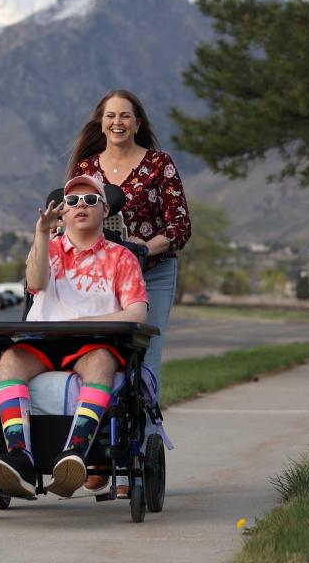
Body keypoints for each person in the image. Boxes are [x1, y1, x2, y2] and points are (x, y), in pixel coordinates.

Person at [0, 174, 148, 500]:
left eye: (90, 200)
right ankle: (20, 456)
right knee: (10, 359)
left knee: (101, 362)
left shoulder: (122, 258)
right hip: (43, 342)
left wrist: (88, 321)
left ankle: (75, 453)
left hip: (94, 343)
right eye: (72, 202)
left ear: (104, 211)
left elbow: (137, 313)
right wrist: (42, 233)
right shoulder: (49, 249)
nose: (80, 206)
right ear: (63, 213)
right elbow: (36, 283)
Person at [67, 89, 191, 391]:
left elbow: (180, 225)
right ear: (101, 123)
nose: (117, 122)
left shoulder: (160, 164)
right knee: (98, 350)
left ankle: (146, 432)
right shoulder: (87, 169)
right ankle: (100, 424)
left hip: (153, 273)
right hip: (99, 275)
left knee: (145, 353)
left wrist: (142, 249)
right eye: (110, 115)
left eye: (125, 115)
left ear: (138, 124)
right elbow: (73, 218)